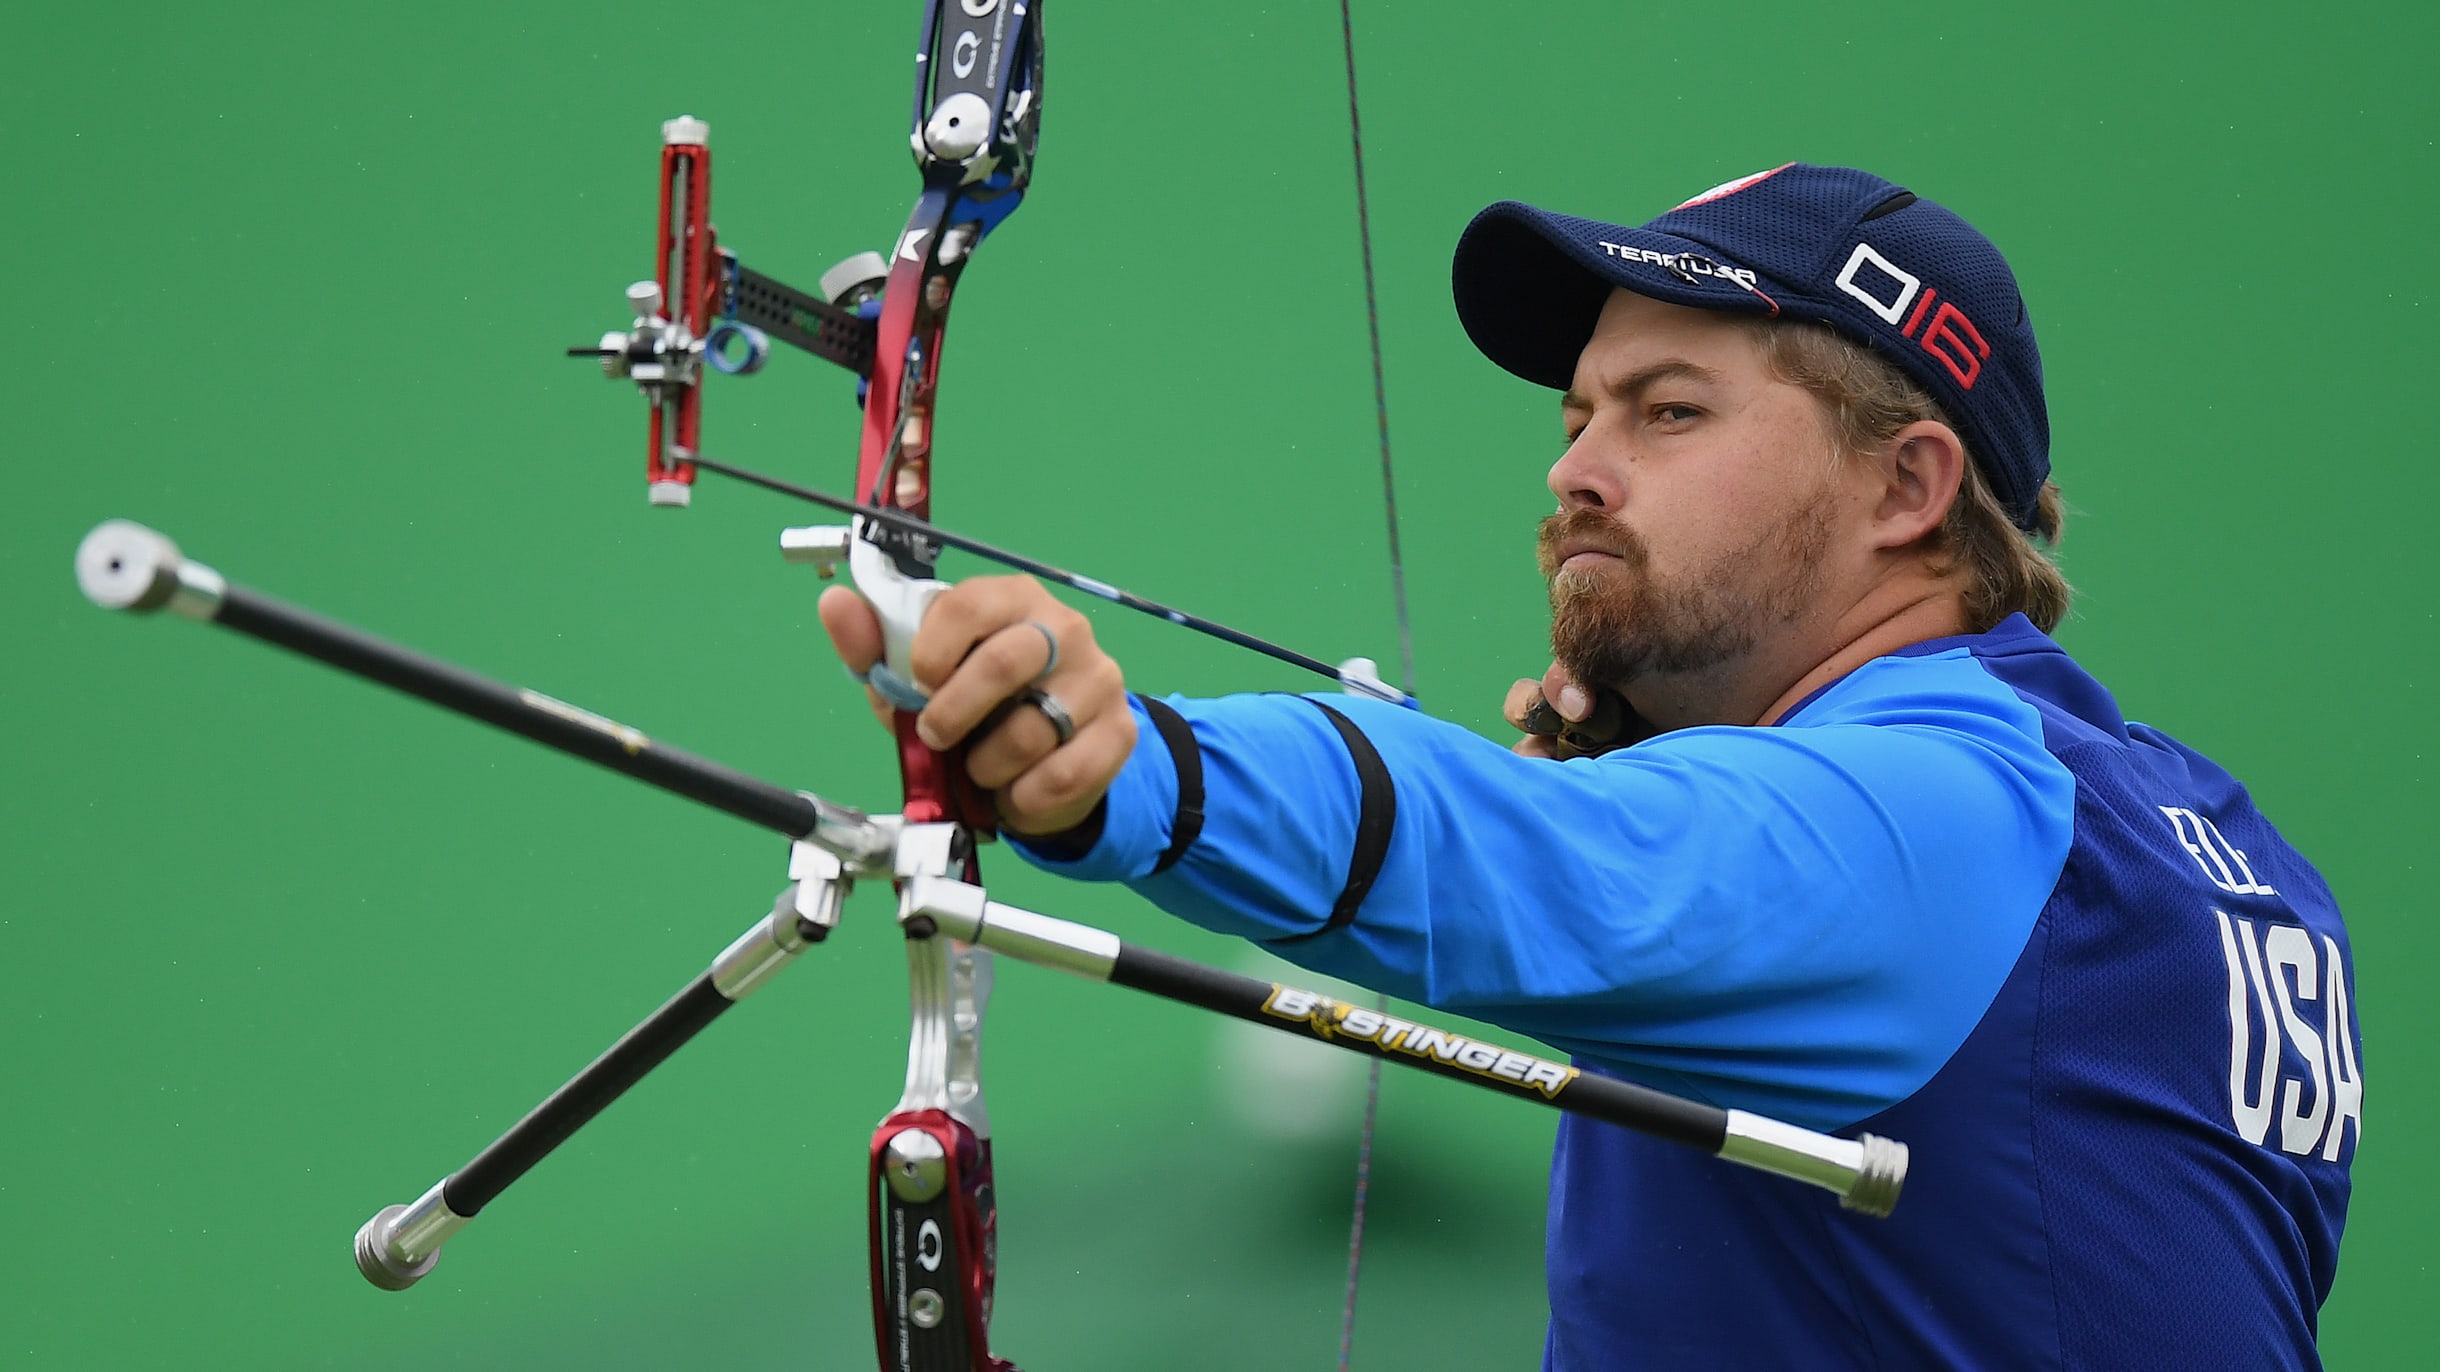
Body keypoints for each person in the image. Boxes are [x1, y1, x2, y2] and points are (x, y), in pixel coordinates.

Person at [817, 164, 2361, 1370]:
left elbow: (1515, 856)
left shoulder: (1947, 815)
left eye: (1667, 412)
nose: (1574, 467)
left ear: (1909, 485)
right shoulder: (2200, 837)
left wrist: (1132, 763)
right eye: (1575, 415)